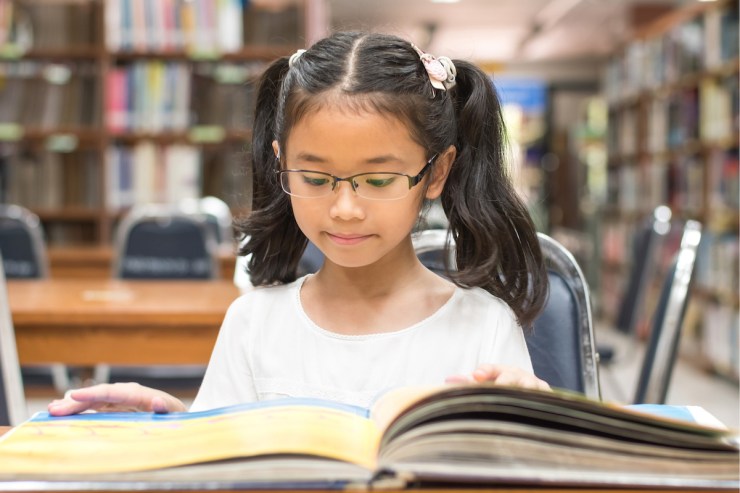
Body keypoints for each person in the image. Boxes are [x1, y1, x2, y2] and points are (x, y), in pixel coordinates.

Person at [49, 31, 550, 417]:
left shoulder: (483, 326)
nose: (345, 209)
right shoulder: (254, 323)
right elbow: (222, 463)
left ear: (436, 172)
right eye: (314, 177)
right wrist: (175, 429)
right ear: (280, 164)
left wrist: (539, 426)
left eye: (377, 180)